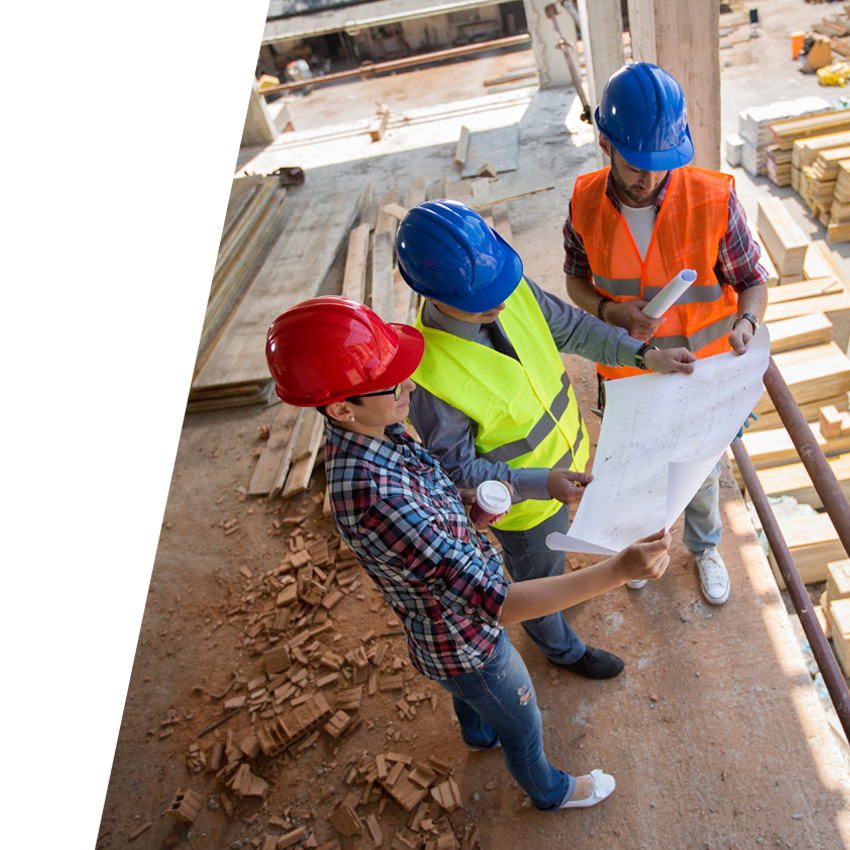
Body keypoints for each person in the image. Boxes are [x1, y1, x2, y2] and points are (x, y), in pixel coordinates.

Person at [264, 296, 673, 812]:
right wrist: (618, 569)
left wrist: (470, 509)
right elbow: (496, 604)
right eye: (394, 384)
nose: (410, 385)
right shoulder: (379, 499)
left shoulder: (370, 429)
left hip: (438, 627)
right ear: (341, 407)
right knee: (523, 725)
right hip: (468, 644)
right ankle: (551, 791)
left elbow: (432, 502)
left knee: (476, 704)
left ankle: (479, 735)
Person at [395, 200, 696, 680]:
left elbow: (574, 329)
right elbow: (457, 473)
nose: (500, 301)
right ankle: (561, 650)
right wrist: (542, 484)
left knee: (553, 569)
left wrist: (643, 355)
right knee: (536, 582)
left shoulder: (506, 289)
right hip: (523, 507)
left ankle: (558, 600)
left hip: (570, 467)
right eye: (483, 298)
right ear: (434, 294)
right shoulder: (427, 374)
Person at [563, 62, 769, 606]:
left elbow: (751, 281)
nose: (649, 178)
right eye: (636, 164)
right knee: (634, 469)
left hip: (700, 373)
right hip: (628, 370)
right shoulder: (584, 203)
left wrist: (747, 324)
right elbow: (575, 281)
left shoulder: (710, 198)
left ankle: (704, 548)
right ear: (605, 143)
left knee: (698, 472)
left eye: (662, 164)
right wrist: (611, 312)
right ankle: (638, 549)